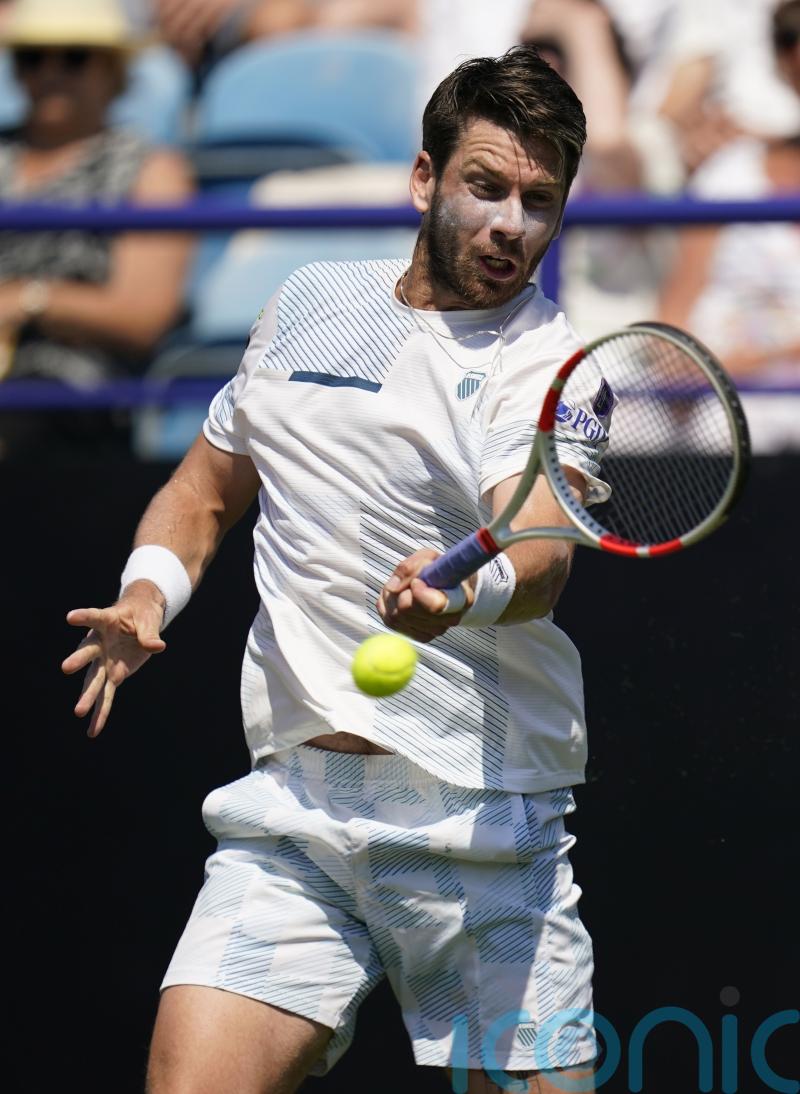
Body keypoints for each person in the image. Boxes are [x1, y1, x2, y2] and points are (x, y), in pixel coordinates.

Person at [63, 45, 604, 1093]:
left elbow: (536, 551)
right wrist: (147, 589)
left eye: (538, 201)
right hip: (295, 824)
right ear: (421, 179)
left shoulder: (552, 361)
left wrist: (468, 590)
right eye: (485, 186)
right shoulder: (307, 301)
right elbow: (204, 490)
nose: (510, 225)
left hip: (481, 826)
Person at [0, 0, 194, 459]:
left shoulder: (151, 170)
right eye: (32, 57)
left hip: (71, 389)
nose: (50, 73)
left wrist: (29, 300)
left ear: (113, 70)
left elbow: (142, 314)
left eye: (73, 56)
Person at [657, 0, 800, 452]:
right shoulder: (729, 174)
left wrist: (725, 366)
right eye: (791, 36)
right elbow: (672, 324)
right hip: (717, 425)